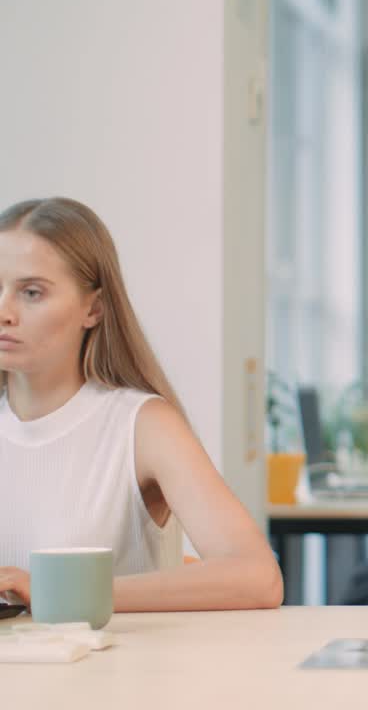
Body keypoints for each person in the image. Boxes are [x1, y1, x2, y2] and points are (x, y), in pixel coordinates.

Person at [0, 197, 282, 611]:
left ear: (93, 308)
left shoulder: (143, 426)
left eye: (32, 292)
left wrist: (63, 593)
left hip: (121, 674)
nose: (4, 311)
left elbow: (257, 578)